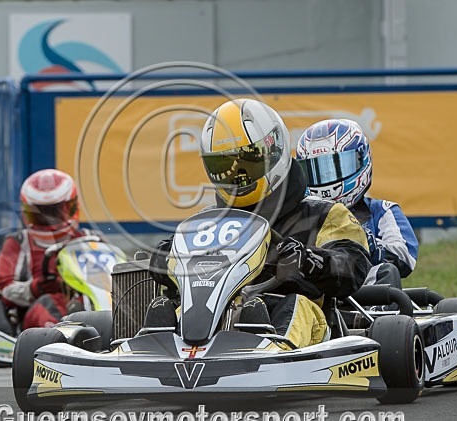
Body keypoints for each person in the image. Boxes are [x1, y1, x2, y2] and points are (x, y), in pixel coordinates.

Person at [149, 99, 371, 348]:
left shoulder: (323, 214)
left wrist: (309, 261)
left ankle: (275, 351)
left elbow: (352, 264)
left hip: (300, 325)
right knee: (170, 309)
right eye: (223, 165)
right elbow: (167, 257)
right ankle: (153, 351)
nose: (236, 177)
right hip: (217, 320)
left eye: (247, 162)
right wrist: (168, 256)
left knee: (296, 306)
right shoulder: (210, 224)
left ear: (274, 151)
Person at [296, 119, 418, 289]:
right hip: (313, 290)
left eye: (336, 166)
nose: (326, 177)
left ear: (362, 160)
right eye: (317, 170)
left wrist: (368, 244)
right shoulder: (301, 215)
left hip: (363, 294)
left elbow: (406, 256)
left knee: (386, 271)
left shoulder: (382, 211)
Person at [0, 169, 89, 330]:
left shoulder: (89, 239)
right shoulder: (18, 242)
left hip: (86, 304)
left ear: (72, 208)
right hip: (38, 310)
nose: (50, 220)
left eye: (56, 212)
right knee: (47, 303)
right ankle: (62, 336)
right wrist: (36, 288)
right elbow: (4, 290)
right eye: (41, 214)